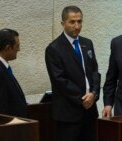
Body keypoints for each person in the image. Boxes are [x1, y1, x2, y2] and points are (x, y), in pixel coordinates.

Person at [45, 5, 100, 141]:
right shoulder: (54, 49)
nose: (77, 26)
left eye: (79, 21)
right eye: (72, 22)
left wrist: (93, 94)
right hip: (69, 114)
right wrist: (83, 98)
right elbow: (59, 80)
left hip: (90, 110)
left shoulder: (87, 43)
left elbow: (94, 72)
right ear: (63, 23)